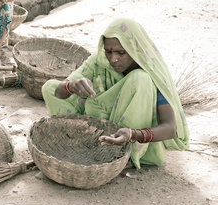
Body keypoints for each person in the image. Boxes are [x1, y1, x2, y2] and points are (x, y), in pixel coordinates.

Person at [41, 18, 189, 168]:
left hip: (130, 136)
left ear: (134, 49)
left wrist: (132, 134)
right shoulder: (98, 62)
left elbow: (170, 128)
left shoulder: (151, 73)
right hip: (98, 128)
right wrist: (71, 86)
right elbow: (59, 93)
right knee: (50, 87)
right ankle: (83, 143)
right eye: (108, 51)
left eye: (121, 52)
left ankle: (124, 155)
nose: (113, 59)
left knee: (140, 78)